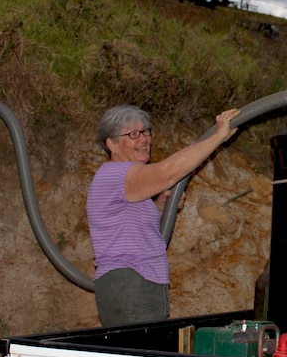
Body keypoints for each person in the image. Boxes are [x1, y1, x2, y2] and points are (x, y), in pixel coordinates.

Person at [86, 105, 240, 327]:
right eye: (133, 134)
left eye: (146, 132)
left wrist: (159, 207)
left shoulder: (127, 182)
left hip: (140, 281)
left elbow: (128, 228)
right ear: (112, 144)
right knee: (142, 356)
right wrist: (217, 137)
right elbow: (168, 173)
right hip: (130, 281)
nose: (144, 139)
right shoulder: (116, 175)